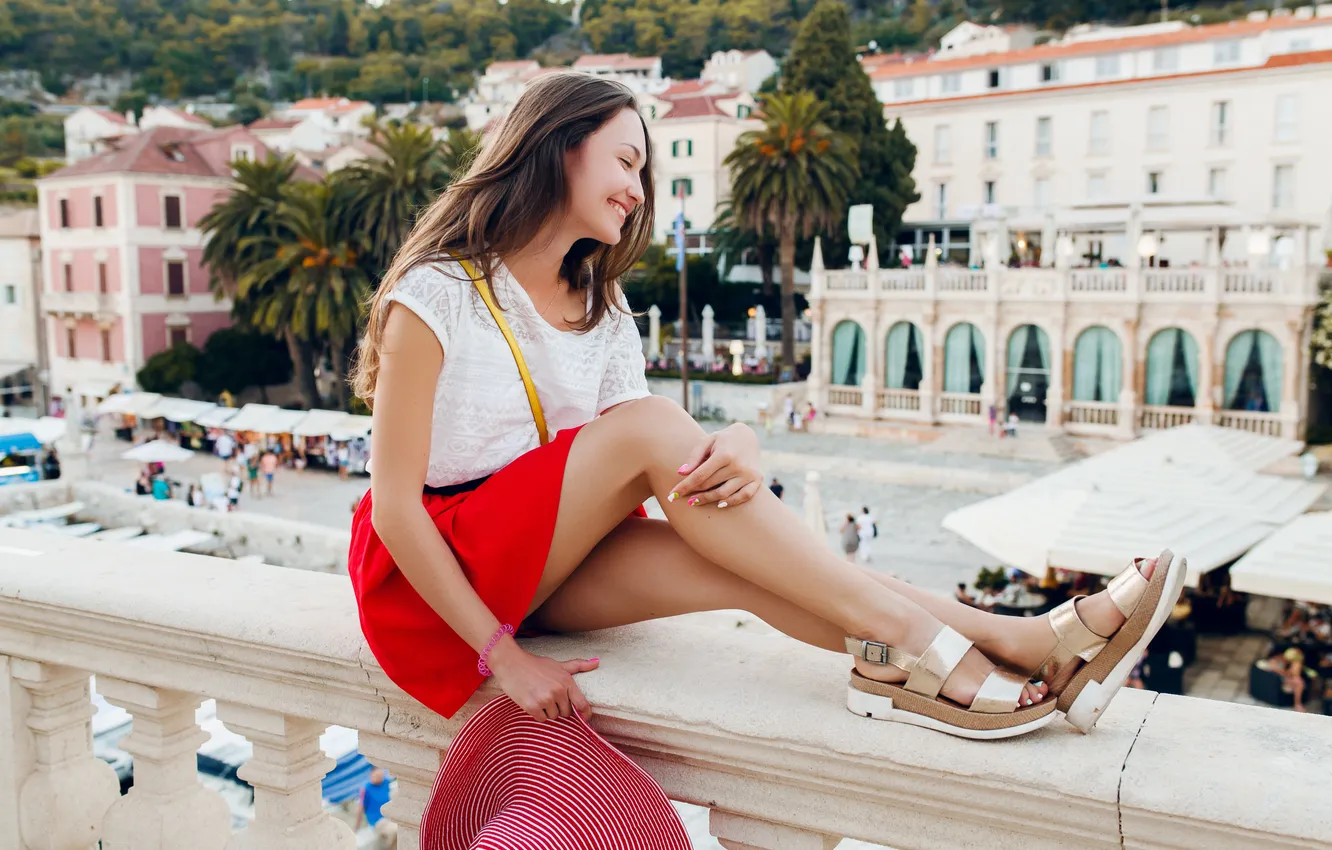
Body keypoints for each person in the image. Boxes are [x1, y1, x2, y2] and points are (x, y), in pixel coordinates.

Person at [345, 71, 1181, 750]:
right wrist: (505, 659)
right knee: (652, 435)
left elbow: (661, 463)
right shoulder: (438, 293)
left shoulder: (605, 310)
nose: (639, 188)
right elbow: (393, 506)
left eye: (644, 171)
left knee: (749, 568)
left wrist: (737, 439)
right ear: (559, 145)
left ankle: (1005, 644)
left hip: (541, 563)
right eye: (626, 160)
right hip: (435, 570)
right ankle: (917, 642)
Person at [354, 767, 397, 849]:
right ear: (371, 775)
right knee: (395, 830)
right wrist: (356, 828)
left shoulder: (386, 782)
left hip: (390, 816)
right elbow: (360, 809)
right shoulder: (366, 788)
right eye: (376, 776)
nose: (378, 777)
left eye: (381, 775)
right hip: (378, 821)